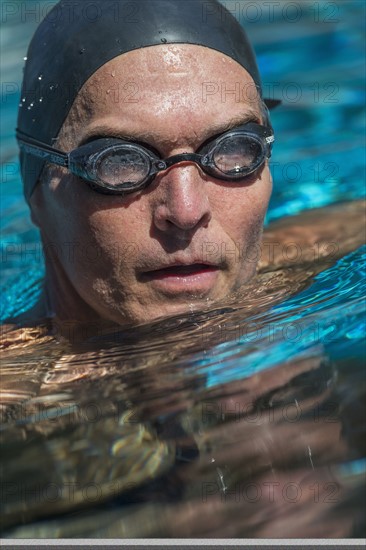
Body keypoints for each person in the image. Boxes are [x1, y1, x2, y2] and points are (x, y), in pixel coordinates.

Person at [8, 0, 366, 339]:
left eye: (233, 149)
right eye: (120, 162)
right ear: (36, 187)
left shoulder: (297, 273)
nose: (186, 212)